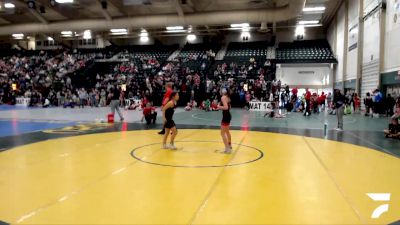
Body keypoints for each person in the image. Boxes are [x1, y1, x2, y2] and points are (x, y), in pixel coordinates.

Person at [218, 89, 232, 154]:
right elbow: (229, 107)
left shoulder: (223, 97)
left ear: (222, 92)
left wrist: (219, 106)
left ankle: (227, 149)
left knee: (222, 133)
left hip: (226, 117)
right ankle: (229, 145)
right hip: (228, 115)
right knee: (227, 132)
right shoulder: (228, 97)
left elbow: (226, 107)